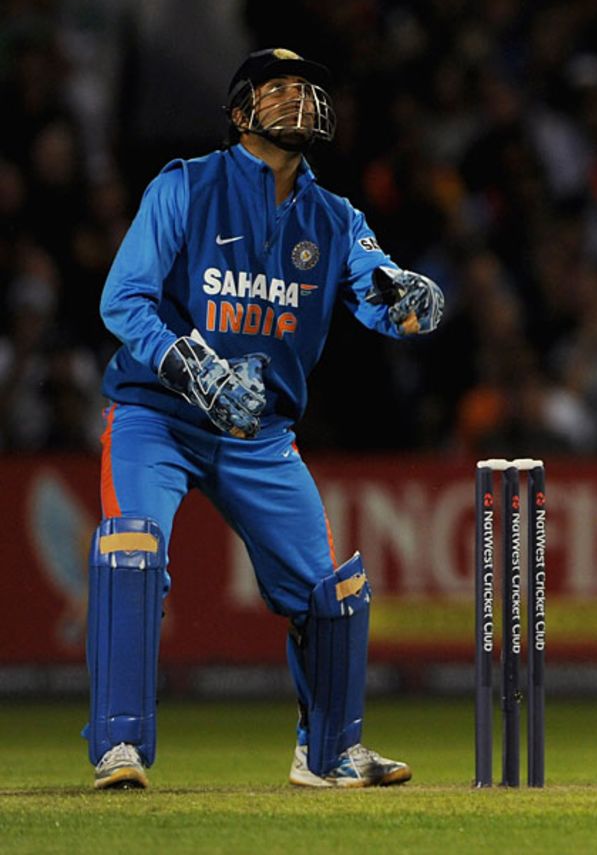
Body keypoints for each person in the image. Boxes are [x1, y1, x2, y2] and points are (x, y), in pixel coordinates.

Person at [87, 48, 445, 790]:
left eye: (305, 89)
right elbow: (123, 300)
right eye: (276, 90)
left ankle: (329, 754)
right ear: (239, 111)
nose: (297, 101)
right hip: (158, 413)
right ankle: (119, 745)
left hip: (259, 432)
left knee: (330, 591)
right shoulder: (185, 184)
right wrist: (190, 364)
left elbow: (376, 299)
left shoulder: (336, 215)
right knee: (131, 550)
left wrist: (407, 299)